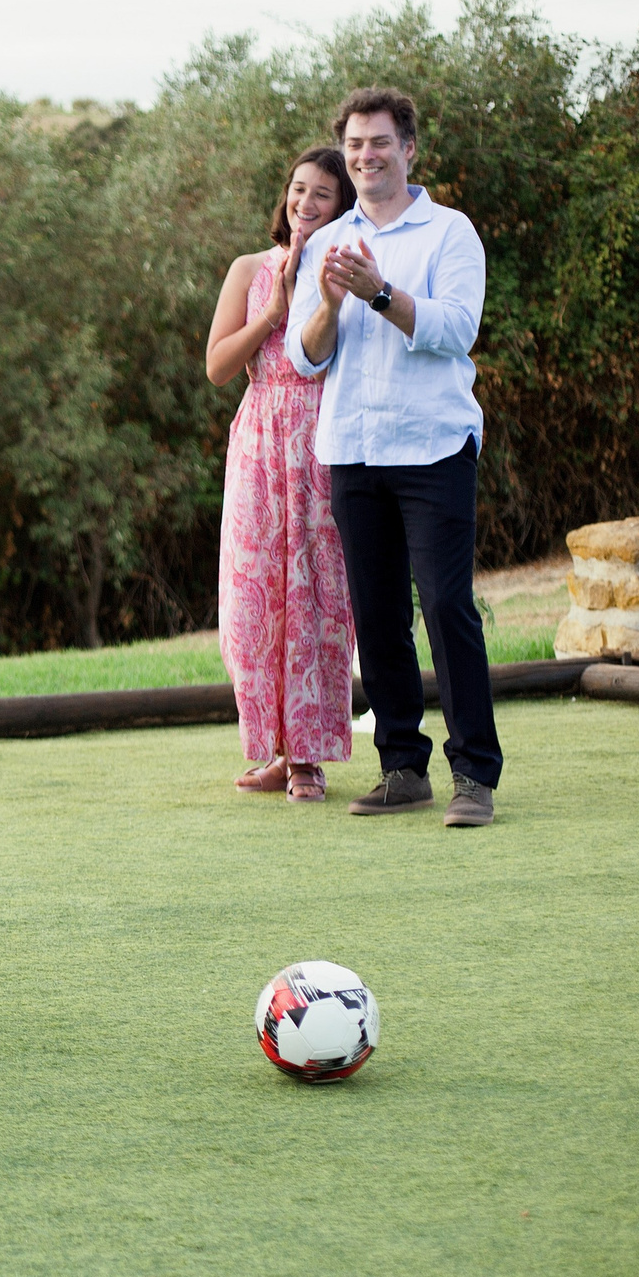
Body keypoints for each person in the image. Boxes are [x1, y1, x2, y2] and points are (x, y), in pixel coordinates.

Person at [289, 87, 501, 827]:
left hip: (435, 445)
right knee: (376, 616)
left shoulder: (449, 233)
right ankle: (402, 767)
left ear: (409, 148)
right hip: (353, 448)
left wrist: (380, 292)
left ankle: (475, 774)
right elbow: (306, 356)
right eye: (354, 146)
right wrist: (330, 303)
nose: (366, 156)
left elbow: (455, 329)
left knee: (445, 605)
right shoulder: (324, 242)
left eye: (379, 143)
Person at [206, 145, 358, 804]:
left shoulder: (350, 270)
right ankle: (274, 749)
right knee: (256, 599)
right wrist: (276, 305)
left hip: (323, 441)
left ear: (343, 206)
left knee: (319, 600)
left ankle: (309, 758)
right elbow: (217, 367)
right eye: (298, 190)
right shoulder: (250, 269)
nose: (304, 203)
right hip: (259, 441)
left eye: (321, 194)